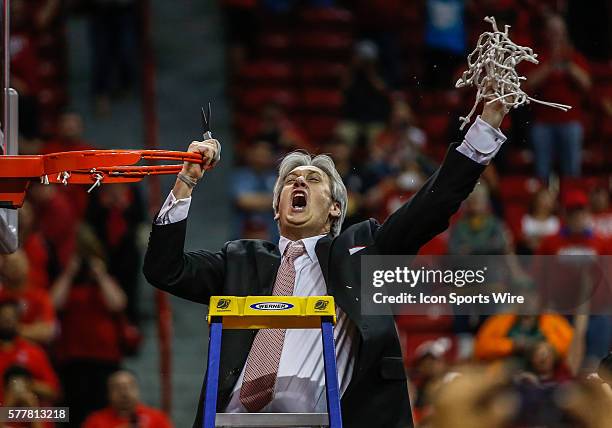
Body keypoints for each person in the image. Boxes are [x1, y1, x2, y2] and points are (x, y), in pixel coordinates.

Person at [143, 95, 511, 427]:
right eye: (290, 181)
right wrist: (185, 183)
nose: (298, 182)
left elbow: (431, 206)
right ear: (276, 209)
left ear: (335, 206)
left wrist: (484, 130)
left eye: (312, 179)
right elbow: (164, 269)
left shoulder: (363, 251)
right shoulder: (241, 258)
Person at [51, 225, 128, 427]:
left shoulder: (105, 280)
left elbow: (117, 303)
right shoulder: (66, 281)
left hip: (104, 359)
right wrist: (69, 272)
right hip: (71, 359)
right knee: (71, 415)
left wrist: (100, 275)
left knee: (102, 413)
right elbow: (53, 303)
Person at [525, 14, 591, 180]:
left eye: (559, 31)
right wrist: (550, 66)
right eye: (552, 31)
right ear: (545, 33)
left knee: (572, 172)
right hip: (543, 123)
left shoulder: (573, 56)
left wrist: (569, 66)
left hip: (570, 122)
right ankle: (544, 203)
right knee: (542, 172)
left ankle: (571, 202)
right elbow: (527, 85)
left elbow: (587, 84)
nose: (556, 35)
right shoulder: (536, 56)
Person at [0, 300, 59, 405]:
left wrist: (28, 385)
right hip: (3, 413)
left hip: (28, 416)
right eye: (3, 317)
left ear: (19, 321)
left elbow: (53, 391)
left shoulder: (33, 352)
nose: (7, 321)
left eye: (11, 317)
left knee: (61, 414)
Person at [82, 370, 173, 428]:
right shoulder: (95, 421)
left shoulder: (157, 418)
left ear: (138, 390)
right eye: (117, 388)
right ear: (108, 394)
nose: (124, 393)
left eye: (130, 386)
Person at [0, 251, 56, 345]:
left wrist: (11, 330)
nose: (15, 268)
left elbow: (47, 331)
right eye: (10, 264)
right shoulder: (1, 296)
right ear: (3, 269)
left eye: (18, 263)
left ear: (27, 265)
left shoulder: (40, 296)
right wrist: (31, 330)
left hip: (32, 353)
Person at [520, 188, 560, 253]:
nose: (545, 202)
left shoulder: (557, 221)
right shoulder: (525, 219)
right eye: (543, 198)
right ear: (535, 200)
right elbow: (521, 239)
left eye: (549, 199)